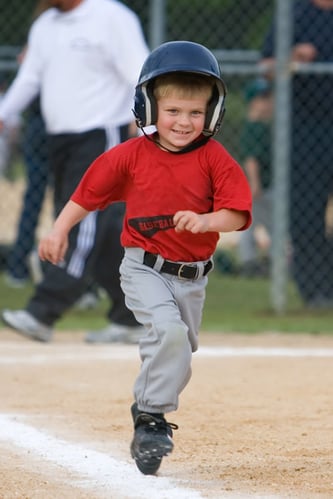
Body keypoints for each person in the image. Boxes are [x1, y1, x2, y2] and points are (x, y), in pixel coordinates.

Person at [37, 41, 252, 475]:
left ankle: (149, 410)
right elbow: (87, 194)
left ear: (212, 113)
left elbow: (235, 214)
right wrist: (59, 229)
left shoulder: (214, 158)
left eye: (195, 113)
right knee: (169, 334)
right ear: (149, 107)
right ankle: (151, 419)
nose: (184, 122)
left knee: (180, 349)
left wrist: (207, 221)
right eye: (173, 111)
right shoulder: (132, 155)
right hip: (142, 266)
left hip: (193, 278)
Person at [0, 0, 149, 342]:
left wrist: (145, 129)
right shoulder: (45, 26)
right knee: (105, 230)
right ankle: (131, 318)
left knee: (81, 221)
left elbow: (141, 75)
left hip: (102, 136)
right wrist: (5, 114)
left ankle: (44, 310)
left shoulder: (111, 16)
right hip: (60, 140)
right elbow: (29, 78)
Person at [261, 0, 333, 307]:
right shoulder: (293, 14)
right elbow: (264, 69)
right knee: (305, 213)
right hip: (305, 127)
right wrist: (290, 59)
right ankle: (316, 291)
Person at [238, 77, 273, 277]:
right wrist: (255, 183)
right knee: (268, 224)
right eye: (263, 98)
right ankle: (251, 262)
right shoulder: (253, 127)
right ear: (253, 102)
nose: (269, 102)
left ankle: (249, 261)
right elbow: (251, 158)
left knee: (251, 224)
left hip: (261, 186)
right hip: (260, 187)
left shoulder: (264, 126)